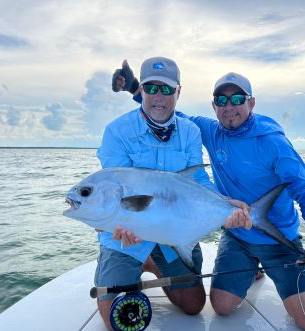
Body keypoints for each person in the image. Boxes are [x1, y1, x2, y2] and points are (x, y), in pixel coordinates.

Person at [112, 60, 305, 330]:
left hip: (279, 239)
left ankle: (302, 278)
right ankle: (253, 268)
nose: (229, 107)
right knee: (222, 306)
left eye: (237, 99)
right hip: (237, 235)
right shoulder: (211, 130)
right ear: (214, 106)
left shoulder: (272, 142)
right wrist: (135, 88)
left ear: (251, 103)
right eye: (221, 100)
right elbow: (166, 108)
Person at [96, 56, 251, 331]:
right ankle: (139, 258)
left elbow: (198, 179)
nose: (159, 96)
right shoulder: (117, 132)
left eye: (167, 89)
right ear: (140, 89)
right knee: (115, 320)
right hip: (126, 238)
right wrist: (111, 223)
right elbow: (116, 189)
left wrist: (226, 205)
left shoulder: (190, 132)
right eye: (151, 88)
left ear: (178, 91)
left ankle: (154, 262)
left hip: (171, 232)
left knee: (193, 306)